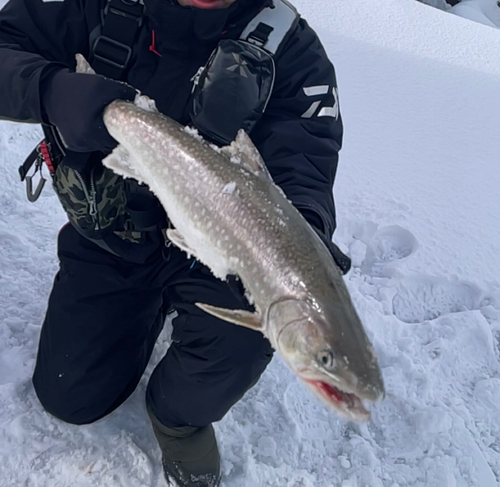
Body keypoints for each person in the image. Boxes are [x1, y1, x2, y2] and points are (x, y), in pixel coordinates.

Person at [0, 0, 350, 485]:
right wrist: (52, 90)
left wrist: (302, 241)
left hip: (222, 258)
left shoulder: (291, 49)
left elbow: (305, 163)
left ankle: (178, 420)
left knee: (248, 336)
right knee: (69, 395)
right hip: (113, 238)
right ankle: (139, 314)